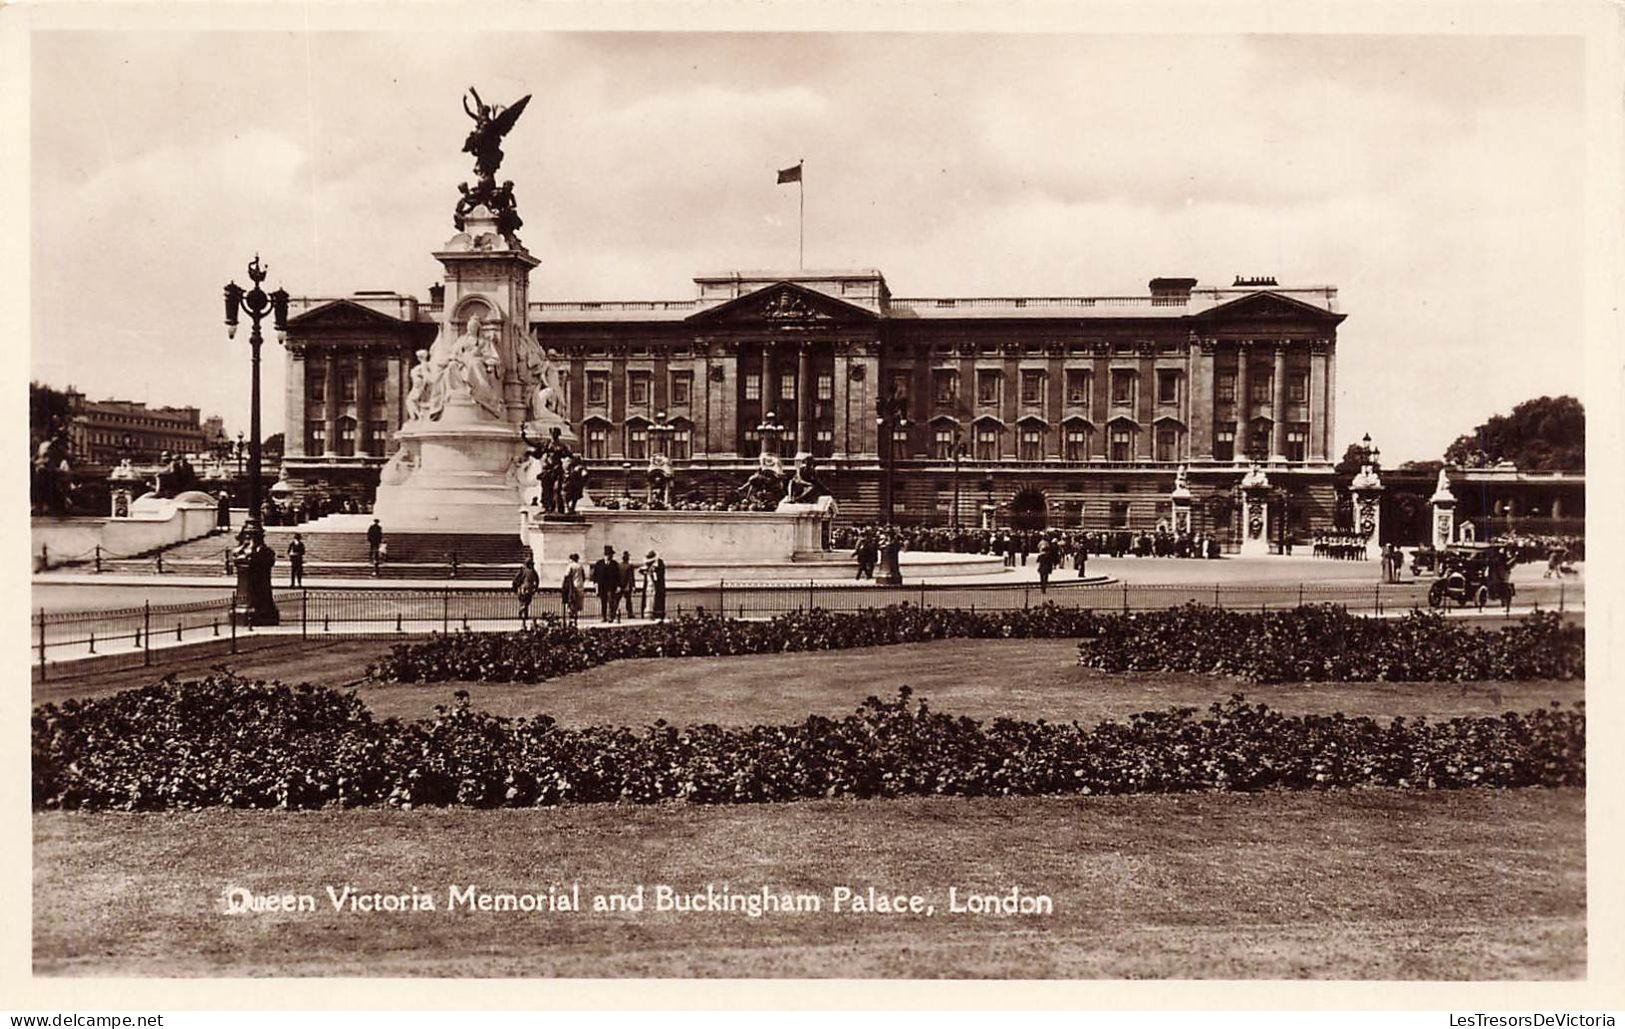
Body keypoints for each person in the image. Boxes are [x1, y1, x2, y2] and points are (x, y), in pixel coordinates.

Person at [591, 545, 621, 623]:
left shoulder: (615, 564)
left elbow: (618, 576)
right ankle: (604, 616)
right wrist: (595, 585)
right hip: (602, 587)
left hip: (611, 587)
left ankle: (611, 616)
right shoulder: (599, 563)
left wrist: (618, 586)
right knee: (603, 602)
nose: (611, 556)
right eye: (610, 554)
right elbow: (595, 575)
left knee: (611, 602)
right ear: (606, 555)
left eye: (611, 555)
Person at [511, 556, 540, 627]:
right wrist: (535, 588)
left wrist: (514, 587)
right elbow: (537, 580)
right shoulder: (533, 571)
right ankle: (524, 615)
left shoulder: (523, 571)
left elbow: (515, 579)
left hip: (522, 589)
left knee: (523, 601)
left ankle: (522, 612)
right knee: (527, 602)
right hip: (529, 589)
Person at [561, 552, 586, 625]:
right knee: (578, 603)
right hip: (580, 586)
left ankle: (571, 619)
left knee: (571, 602)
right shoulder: (580, 566)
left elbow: (566, 576)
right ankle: (575, 618)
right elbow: (583, 577)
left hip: (572, 587)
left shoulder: (570, 566)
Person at [644, 549, 667, 621]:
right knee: (650, 600)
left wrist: (653, 573)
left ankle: (658, 614)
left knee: (657, 599)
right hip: (650, 585)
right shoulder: (650, 565)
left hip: (657, 586)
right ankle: (650, 614)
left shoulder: (659, 563)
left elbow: (659, 576)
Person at [616, 550, 637, 620]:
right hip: (627, 586)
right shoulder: (630, 566)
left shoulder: (619, 565)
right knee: (628, 601)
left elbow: (617, 577)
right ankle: (630, 614)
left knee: (617, 600)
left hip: (620, 586)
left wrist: (618, 585)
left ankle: (613, 613)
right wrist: (633, 586)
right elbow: (631, 577)